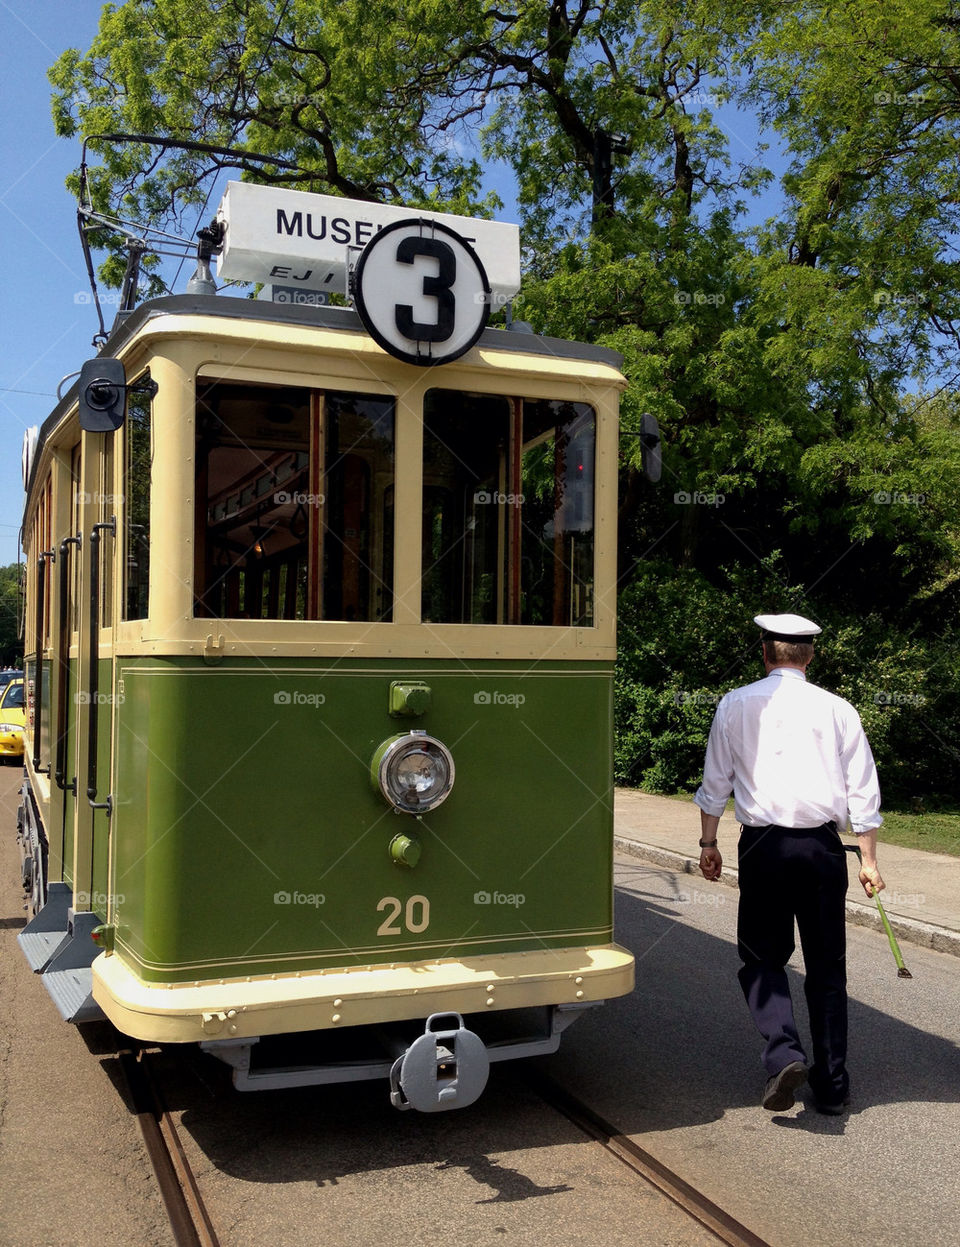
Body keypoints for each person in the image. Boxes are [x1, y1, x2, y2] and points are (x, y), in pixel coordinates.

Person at [693, 612, 884, 1114]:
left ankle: (783, 1053)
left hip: (763, 848)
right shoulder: (839, 709)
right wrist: (868, 859)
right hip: (822, 850)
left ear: (765, 653)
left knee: (761, 956)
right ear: (810, 655)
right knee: (826, 967)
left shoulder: (734, 704)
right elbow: (863, 787)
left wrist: (708, 844)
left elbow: (717, 783)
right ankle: (833, 1085)